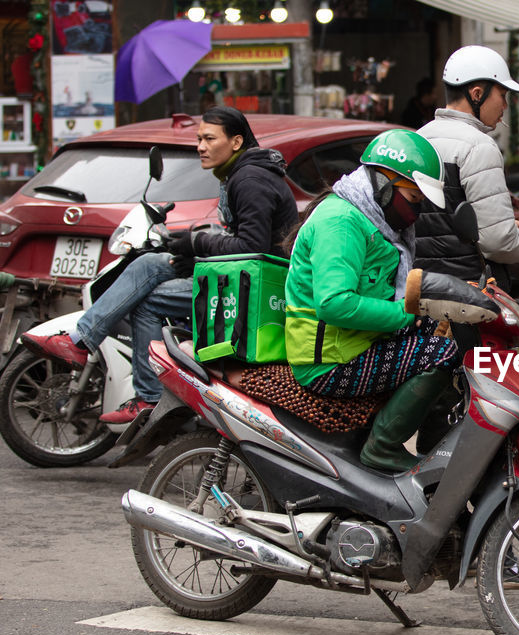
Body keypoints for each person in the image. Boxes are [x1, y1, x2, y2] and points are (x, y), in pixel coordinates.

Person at [22, 107, 297, 423]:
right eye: (199, 139)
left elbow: (251, 247)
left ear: (236, 142)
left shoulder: (249, 179)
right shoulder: (237, 174)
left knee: (147, 302)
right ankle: (82, 341)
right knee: (151, 263)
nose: (200, 147)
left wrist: (197, 244)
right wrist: (189, 247)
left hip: (256, 291)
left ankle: (147, 396)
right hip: (239, 275)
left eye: (209, 139)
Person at [283, 129, 460, 473]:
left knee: (451, 341)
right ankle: (383, 449)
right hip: (330, 361)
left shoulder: (373, 222)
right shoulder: (342, 222)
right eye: (414, 199)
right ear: (383, 184)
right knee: (440, 354)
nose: (416, 211)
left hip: (354, 344)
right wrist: (407, 317)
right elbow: (334, 303)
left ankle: (439, 458)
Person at [415, 45, 519, 291]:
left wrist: (506, 225)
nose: (505, 106)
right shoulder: (478, 146)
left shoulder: (419, 138)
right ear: (477, 93)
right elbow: (500, 242)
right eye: (502, 95)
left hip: (420, 287)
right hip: (469, 295)